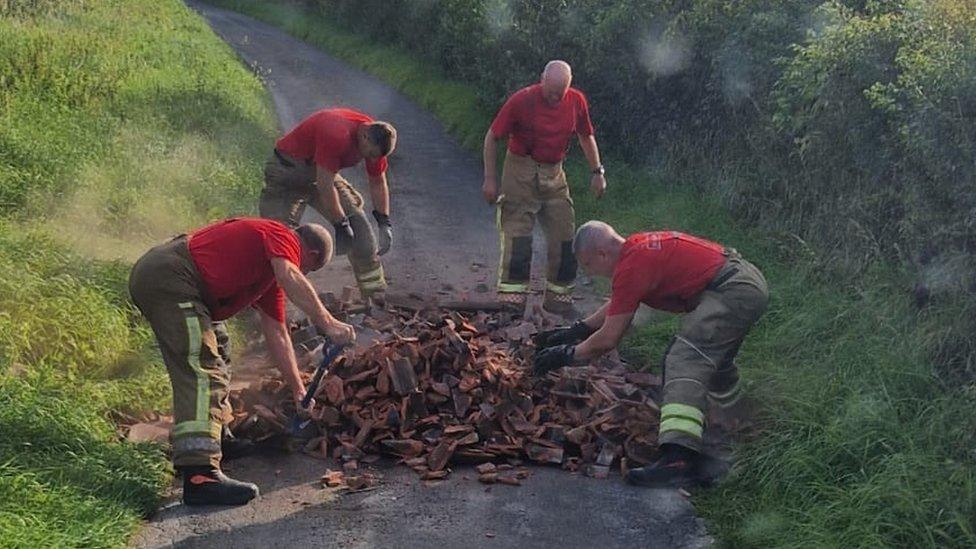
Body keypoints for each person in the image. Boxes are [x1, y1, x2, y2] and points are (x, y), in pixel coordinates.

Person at [129, 218, 356, 505]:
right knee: (201, 367)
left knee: (220, 347)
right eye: (309, 269)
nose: (304, 273)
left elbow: (278, 332)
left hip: (181, 283)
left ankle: (217, 436)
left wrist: (299, 390)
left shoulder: (270, 273)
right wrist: (328, 323)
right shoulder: (282, 236)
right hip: (171, 278)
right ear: (309, 255)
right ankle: (200, 475)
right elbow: (290, 274)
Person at [533, 221, 769, 486]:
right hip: (742, 282)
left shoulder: (632, 265)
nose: (591, 272)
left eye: (588, 264)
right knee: (716, 362)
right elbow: (621, 304)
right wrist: (578, 329)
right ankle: (738, 422)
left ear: (602, 253)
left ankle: (678, 458)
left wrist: (566, 354)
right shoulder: (637, 251)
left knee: (685, 358)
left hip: (731, 289)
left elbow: (610, 338)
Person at [482, 60, 607, 316]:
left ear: (568, 88)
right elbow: (492, 137)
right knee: (519, 237)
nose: (554, 98)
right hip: (520, 170)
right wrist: (490, 178)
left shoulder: (576, 101)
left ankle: (558, 299)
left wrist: (597, 172)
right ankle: (512, 302)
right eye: (551, 92)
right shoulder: (522, 100)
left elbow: (585, 135)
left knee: (565, 235)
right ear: (542, 79)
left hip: (554, 172)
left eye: (560, 94)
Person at [260, 107, 397, 301]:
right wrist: (340, 223)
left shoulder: (377, 138)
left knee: (360, 227)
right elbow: (325, 185)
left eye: (377, 156)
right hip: (287, 172)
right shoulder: (337, 133)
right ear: (364, 136)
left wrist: (384, 221)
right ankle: (267, 303)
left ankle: (374, 295)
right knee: (279, 241)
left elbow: (377, 181)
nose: (372, 159)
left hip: (321, 171)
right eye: (371, 154)